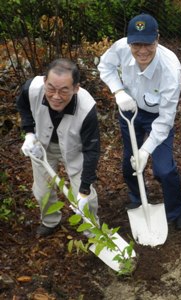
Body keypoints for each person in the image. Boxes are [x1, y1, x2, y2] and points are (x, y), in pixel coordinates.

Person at [97, 13, 181, 230]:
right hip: (129, 109)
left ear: (157, 38)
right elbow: (105, 66)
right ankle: (137, 198)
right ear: (129, 41)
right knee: (129, 161)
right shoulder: (120, 48)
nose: (142, 50)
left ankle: (176, 210)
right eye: (136, 44)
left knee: (164, 169)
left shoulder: (170, 68)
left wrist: (146, 151)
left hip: (158, 117)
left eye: (148, 43)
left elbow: (167, 118)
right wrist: (119, 92)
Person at [17, 58, 100, 238]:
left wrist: (84, 190)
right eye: (51, 88)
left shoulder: (87, 109)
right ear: (45, 81)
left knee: (88, 199)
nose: (56, 96)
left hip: (75, 149)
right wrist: (29, 133)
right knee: (42, 192)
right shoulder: (32, 88)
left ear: (76, 88)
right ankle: (50, 221)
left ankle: (92, 231)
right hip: (42, 147)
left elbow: (92, 151)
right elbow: (22, 105)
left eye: (64, 90)